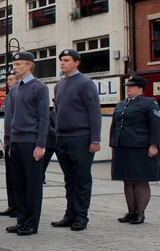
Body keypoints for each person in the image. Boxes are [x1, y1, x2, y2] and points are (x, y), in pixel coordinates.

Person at [52, 49, 101, 232]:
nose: (62, 63)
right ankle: (70, 214)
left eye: (66, 60)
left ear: (76, 62)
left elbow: (94, 112)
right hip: (62, 138)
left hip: (81, 137)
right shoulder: (59, 85)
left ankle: (81, 217)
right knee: (69, 180)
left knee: (81, 180)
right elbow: (57, 111)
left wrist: (95, 139)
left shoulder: (85, 83)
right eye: (61, 60)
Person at [5, 52, 49, 237]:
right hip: (16, 143)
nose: (15, 67)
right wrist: (9, 142)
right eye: (14, 64)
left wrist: (40, 145)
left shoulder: (39, 87)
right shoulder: (15, 89)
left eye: (19, 64)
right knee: (19, 184)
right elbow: (11, 117)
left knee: (32, 185)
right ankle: (21, 220)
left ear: (30, 66)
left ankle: (31, 223)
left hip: (31, 142)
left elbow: (44, 117)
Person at [110, 75, 160, 225]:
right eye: (127, 87)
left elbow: (156, 125)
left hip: (140, 147)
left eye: (131, 87)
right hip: (122, 147)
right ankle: (131, 212)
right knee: (127, 180)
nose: (128, 89)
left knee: (140, 180)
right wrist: (114, 145)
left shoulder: (149, 103)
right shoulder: (120, 104)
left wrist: (154, 144)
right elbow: (114, 126)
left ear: (140, 88)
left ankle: (140, 213)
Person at [0, 72, 19, 218]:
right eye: (7, 80)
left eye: (11, 79)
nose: (8, 82)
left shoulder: (19, 96)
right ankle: (12, 204)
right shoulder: (8, 97)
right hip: (9, 141)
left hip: (18, 141)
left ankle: (19, 206)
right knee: (10, 176)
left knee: (18, 177)